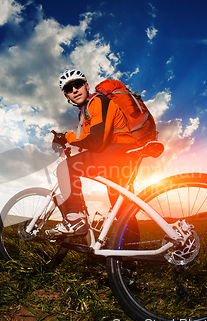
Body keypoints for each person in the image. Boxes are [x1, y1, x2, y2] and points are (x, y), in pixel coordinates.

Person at [45, 69, 138, 239]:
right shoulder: (85, 112)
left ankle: (75, 218)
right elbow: (89, 141)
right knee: (122, 209)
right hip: (121, 157)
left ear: (86, 86)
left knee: (66, 168)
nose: (74, 90)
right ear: (67, 96)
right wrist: (70, 141)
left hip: (118, 154)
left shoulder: (99, 101)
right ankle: (126, 264)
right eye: (68, 89)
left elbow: (96, 142)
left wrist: (67, 137)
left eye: (77, 85)